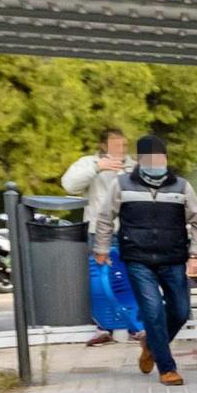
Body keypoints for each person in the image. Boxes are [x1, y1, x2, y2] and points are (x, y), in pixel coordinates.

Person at [90, 135, 197, 387]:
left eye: (160, 158)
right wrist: (100, 248)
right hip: (137, 259)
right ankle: (167, 369)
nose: (156, 162)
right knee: (153, 312)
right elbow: (104, 217)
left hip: (173, 258)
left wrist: (196, 255)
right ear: (141, 160)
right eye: (150, 158)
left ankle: (152, 346)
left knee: (179, 311)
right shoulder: (122, 185)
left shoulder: (181, 186)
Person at [62, 128, 134, 346]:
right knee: (101, 281)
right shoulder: (88, 163)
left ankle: (133, 325)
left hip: (130, 231)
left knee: (129, 279)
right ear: (103, 146)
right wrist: (97, 167)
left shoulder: (134, 167)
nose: (120, 150)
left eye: (123, 145)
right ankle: (104, 326)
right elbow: (69, 185)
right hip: (100, 232)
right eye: (115, 145)